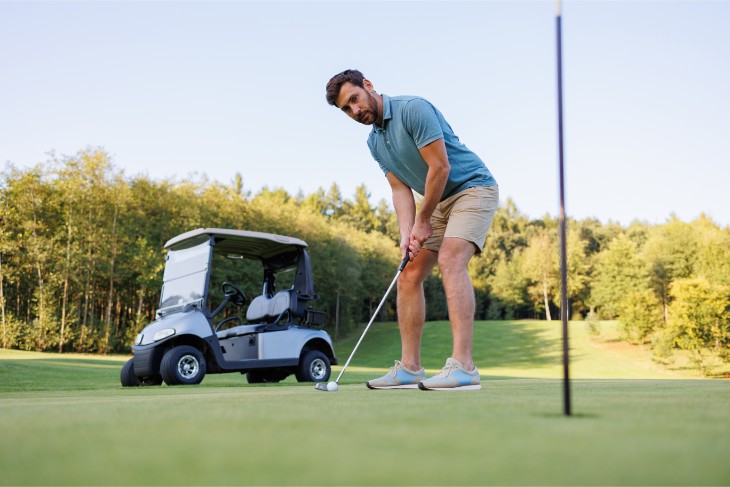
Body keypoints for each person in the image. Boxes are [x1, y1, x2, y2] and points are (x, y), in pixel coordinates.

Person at [325, 69, 498, 391]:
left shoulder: (412, 109)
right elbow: (400, 190)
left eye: (354, 100)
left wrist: (423, 219)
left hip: (472, 188)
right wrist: (407, 234)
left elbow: (440, 167)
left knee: (450, 259)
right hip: (437, 200)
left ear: (368, 86)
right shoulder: (374, 142)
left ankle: (464, 367)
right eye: (346, 110)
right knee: (407, 274)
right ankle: (410, 369)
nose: (355, 111)